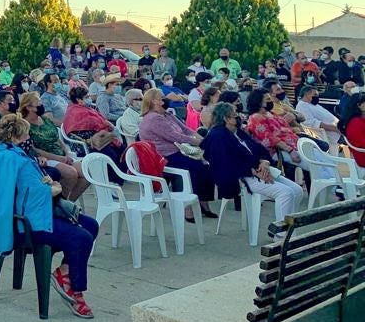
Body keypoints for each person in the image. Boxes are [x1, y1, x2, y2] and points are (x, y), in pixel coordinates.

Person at [0, 112, 98, 318]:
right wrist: (50, 190)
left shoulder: (19, 154)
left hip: (40, 212)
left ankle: (64, 273)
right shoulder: (5, 158)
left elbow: (29, 185)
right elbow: (7, 195)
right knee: (81, 237)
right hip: (27, 224)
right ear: (15, 138)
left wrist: (48, 184)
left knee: (91, 225)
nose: (29, 139)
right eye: (26, 136)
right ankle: (76, 289)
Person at [201, 102, 302, 223]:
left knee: (297, 190)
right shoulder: (218, 136)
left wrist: (264, 162)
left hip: (259, 170)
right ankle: (281, 234)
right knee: (285, 193)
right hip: (242, 177)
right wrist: (254, 170)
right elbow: (227, 163)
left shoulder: (237, 132)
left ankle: (291, 229)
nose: (239, 117)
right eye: (235, 115)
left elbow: (259, 149)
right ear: (226, 118)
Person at [138, 89, 217, 219]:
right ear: (153, 101)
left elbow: (185, 129)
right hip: (162, 157)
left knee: (205, 165)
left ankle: (203, 201)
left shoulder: (167, 115)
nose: (164, 99)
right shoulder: (153, 118)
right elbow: (175, 136)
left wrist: (202, 139)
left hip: (176, 151)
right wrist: (199, 142)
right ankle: (187, 207)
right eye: (161, 98)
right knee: (195, 167)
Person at [17, 92, 89, 201]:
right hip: (46, 158)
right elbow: (34, 149)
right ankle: (58, 204)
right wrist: (60, 158)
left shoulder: (45, 120)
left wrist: (66, 152)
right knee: (71, 173)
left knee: (87, 174)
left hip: (62, 155)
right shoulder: (25, 125)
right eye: (38, 103)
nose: (41, 105)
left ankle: (69, 203)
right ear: (29, 107)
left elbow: (57, 138)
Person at [245, 88, 302, 179]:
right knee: (315, 163)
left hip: (294, 145)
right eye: (268, 100)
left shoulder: (270, 113)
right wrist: (290, 151)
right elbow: (271, 138)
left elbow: (284, 128)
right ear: (259, 102)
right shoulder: (256, 117)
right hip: (280, 151)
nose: (271, 101)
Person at [62, 86, 125, 167]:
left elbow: (98, 122)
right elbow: (84, 130)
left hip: (95, 138)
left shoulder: (85, 108)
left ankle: (123, 173)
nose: (89, 99)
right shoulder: (75, 111)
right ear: (78, 100)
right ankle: (114, 177)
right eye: (86, 97)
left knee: (122, 148)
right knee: (111, 153)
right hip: (83, 144)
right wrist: (106, 128)